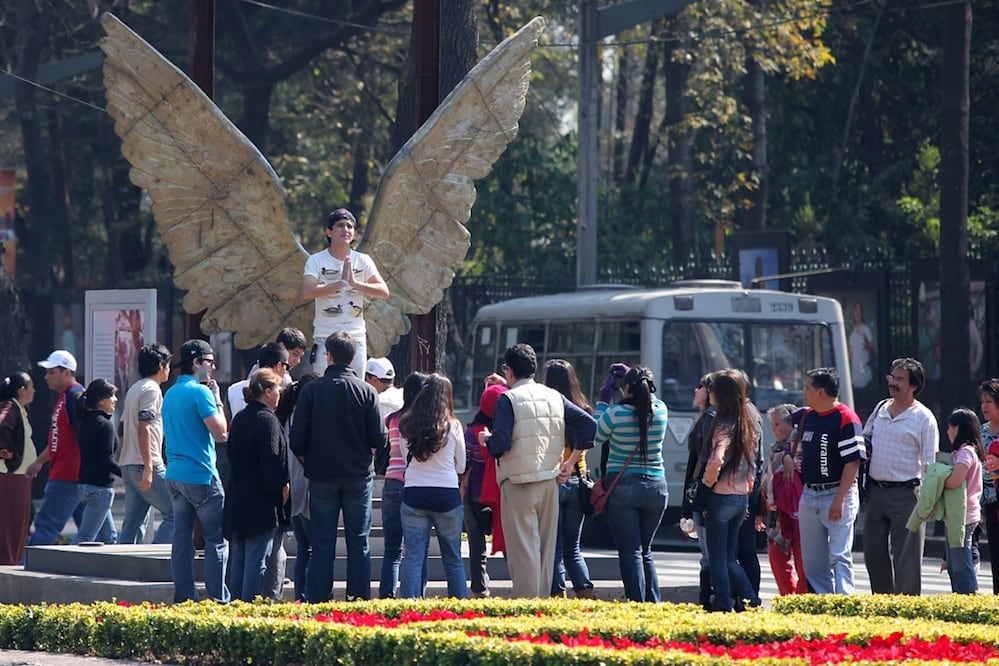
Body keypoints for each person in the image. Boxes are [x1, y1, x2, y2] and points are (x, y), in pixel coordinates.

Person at [478, 343, 597, 598]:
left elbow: (501, 445)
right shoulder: (554, 397)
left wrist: (486, 439)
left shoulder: (507, 400)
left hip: (518, 483)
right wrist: (569, 463)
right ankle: (543, 605)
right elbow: (589, 425)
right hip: (550, 483)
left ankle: (526, 606)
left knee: (523, 552)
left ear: (510, 371)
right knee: (545, 554)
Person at [290, 331, 388, 602]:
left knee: (322, 542)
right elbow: (379, 439)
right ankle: (357, 601)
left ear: (328, 355)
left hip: (322, 475)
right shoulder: (367, 391)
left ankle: (319, 601)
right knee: (359, 542)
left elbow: (296, 439)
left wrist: (308, 459)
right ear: (353, 358)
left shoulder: (311, 390)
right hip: (358, 475)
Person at [862, 357, 938, 595]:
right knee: (873, 553)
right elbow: (865, 439)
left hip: (906, 495)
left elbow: (930, 464)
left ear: (913, 385)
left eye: (899, 379)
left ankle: (907, 608)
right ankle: (883, 604)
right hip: (875, 491)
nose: (892, 383)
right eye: (891, 377)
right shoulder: (881, 408)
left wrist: (928, 502)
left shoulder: (924, 418)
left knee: (907, 559)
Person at [163, 339, 230, 603]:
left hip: (175, 474)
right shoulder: (201, 393)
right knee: (216, 540)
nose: (213, 367)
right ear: (196, 362)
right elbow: (221, 433)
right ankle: (217, 599)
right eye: (210, 362)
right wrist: (218, 400)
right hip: (201, 474)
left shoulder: (170, 393)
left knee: (181, 539)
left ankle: (184, 597)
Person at [595, 366, 668, 603]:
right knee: (645, 550)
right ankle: (653, 604)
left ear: (626, 388)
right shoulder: (661, 410)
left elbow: (595, 435)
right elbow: (648, 398)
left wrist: (603, 402)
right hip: (656, 486)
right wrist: (635, 378)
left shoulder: (615, 413)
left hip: (623, 487)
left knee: (631, 551)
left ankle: (636, 604)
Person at [793, 367, 865, 594]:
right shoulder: (808, 416)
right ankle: (822, 602)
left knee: (839, 555)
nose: (804, 392)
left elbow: (853, 462)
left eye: (807, 387)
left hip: (836, 493)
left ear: (821, 392)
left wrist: (839, 500)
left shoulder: (845, 418)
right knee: (813, 562)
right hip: (809, 494)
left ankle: (843, 602)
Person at [397, 373, 468, 598]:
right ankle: (460, 607)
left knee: (413, 557)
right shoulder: (453, 426)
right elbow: (461, 465)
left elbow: (405, 458)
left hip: (414, 494)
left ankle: (409, 607)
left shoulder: (406, 424)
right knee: (453, 558)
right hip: (446, 496)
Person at [224, 369, 290, 601]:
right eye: (277, 389)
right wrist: (282, 486)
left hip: (238, 495)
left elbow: (230, 454)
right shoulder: (267, 420)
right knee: (257, 559)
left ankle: (236, 606)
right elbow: (272, 459)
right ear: (267, 391)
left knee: (239, 558)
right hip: (260, 500)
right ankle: (250, 607)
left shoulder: (240, 417)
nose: (280, 394)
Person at [301, 208, 389, 378]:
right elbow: (307, 291)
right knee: (324, 386)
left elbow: (383, 291)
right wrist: (340, 283)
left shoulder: (363, 260)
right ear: (329, 232)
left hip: (355, 337)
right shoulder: (316, 260)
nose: (345, 230)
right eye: (340, 225)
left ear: (354, 234)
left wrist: (355, 284)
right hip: (325, 336)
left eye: (349, 226)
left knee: (354, 385)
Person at [541, 359, 596, 599]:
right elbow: (588, 435)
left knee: (553, 548)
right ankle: (586, 594)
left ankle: (558, 596)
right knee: (573, 547)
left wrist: (563, 465)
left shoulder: (547, 409)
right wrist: (572, 463)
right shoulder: (583, 409)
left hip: (553, 481)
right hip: (577, 483)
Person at [26, 350, 86, 546]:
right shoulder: (65, 397)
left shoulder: (75, 396)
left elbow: (85, 435)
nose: (46, 377)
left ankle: (29, 563)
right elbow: (58, 439)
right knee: (95, 532)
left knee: (46, 527)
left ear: (67, 372)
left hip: (69, 476)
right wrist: (39, 462)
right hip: (69, 475)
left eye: (51, 372)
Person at [118, 343, 174, 544]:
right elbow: (145, 426)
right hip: (146, 464)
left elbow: (121, 428)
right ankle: (157, 557)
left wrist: (128, 452)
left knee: (132, 524)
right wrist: (149, 467)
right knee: (175, 514)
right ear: (161, 365)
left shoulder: (135, 388)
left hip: (129, 463)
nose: (169, 370)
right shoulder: (152, 389)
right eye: (168, 365)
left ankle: (121, 560)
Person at [379, 371, 427, 598]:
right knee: (416, 550)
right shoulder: (424, 421)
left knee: (392, 550)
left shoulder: (391, 419)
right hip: (415, 485)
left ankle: (386, 598)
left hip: (392, 484)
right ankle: (416, 597)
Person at [274, 373, 319, 602]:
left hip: (292, 488)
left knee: (304, 549)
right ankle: (311, 595)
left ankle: (301, 596)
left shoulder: (285, 416)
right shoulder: (306, 418)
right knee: (314, 548)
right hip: (307, 487)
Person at [461, 381, 507, 599]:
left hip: (475, 494)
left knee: (476, 543)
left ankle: (479, 588)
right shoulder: (505, 433)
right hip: (502, 494)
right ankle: (523, 583)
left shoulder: (471, 433)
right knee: (509, 541)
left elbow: (464, 464)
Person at [760, 403, 806, 595]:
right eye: (772, 424)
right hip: (778, 514)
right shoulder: (776, 450)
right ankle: (787, 597)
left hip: (799, 511)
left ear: (791, 425)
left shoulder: (801, 448)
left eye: (778, 424)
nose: (774, 429)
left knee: (803, 562)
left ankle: (802, 600)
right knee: (776, 555)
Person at [681, 372, 715, 609]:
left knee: (710, 556)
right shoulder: (706, 418)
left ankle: (710, 601)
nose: (695, 391)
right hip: (703, 495)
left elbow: (699, 465)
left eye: (700, 387)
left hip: (704, 496)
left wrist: (693, 502)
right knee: (709, 554)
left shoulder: (710, 419)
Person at [941, 408, 984, 594]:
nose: (948, 432)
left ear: (957, 429)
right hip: (958, 515)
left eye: (950, 428)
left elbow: (954, 482)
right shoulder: (966, 451)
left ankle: (969, 600)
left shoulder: (965, 452)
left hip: (963, 515)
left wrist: (936, 476)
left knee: (961, 566)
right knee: (954, 565)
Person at [73, 379, 121, 545]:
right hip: (100, 489)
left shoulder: (84, 422)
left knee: (110, 538)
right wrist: (127, 475)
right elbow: (106, 460)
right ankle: (62, 561)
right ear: (101, 400)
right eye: (112, 396)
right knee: (85, 537)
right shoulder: (105, 425)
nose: (115, 399)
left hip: (85, 486)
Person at [0, 372, 37, 564]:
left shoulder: (19, 408)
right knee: (11, 525)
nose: (34, 391)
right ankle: (6, 564)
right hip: (11, 475)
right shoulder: (10, 407)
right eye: (31, 387)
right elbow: (1, 425)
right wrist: (5, 449)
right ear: (22, 390)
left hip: (19, 476)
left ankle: (10, 561)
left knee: (18, 525)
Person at [227, 343, 290, 417]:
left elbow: (225, 419)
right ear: (279, 366)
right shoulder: (277, 394)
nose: (286, 372)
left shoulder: (233, 389)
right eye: (287, 367)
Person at [980, 378, 999, 595]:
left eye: (989, 402)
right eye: (982, 402)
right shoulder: (982, 431)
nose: (984, 406)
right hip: (988, 501)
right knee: (994, 552)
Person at [848, 302, 875, 390]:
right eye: (855, 309)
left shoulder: (866, 329)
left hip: (865, 375)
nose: (857, 312)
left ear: (862, 313)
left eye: (859, 309)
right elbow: (850, 352)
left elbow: (872, 346)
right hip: (854, 376)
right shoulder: (851, 331)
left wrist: (867, 344)